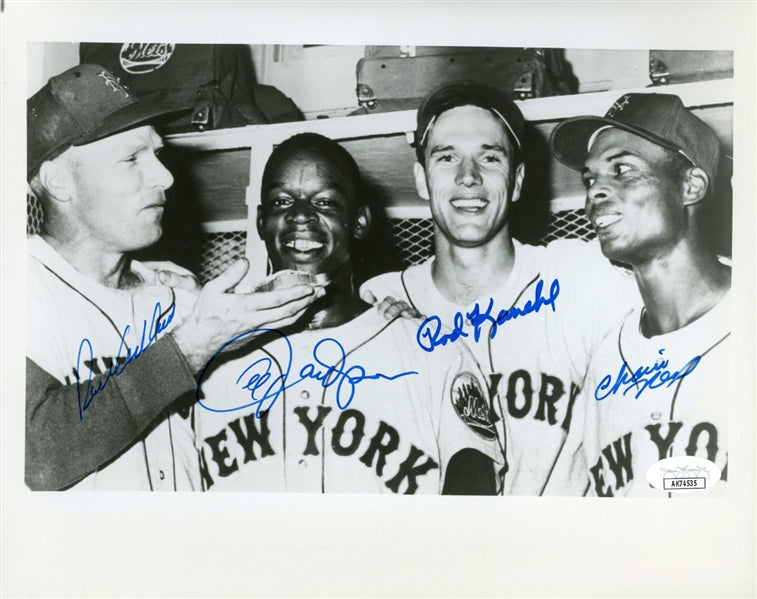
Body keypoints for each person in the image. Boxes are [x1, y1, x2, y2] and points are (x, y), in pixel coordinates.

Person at [26, 64, 325, 491]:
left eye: (157, 154)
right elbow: (37, 456)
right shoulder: (22, 285)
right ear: (59, 181)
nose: (165, 177)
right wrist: (193, 345)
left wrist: (385, 303)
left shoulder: (170, 292)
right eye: (131, 158)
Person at [361, 81, 638, 495]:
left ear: (518, 180)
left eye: (489, 158)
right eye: (447, 156)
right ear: (421, 179)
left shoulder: (580, 275)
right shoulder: (376, 302)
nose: (468, 177)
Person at [195, 132, 503, 494]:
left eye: (325, 203)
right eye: (281, 201)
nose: (300, 216)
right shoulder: (210, 356)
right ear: (262, 222)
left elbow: (474, 492)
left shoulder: (432, 352)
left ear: (358, 222)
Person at [547, 93, 731, 496]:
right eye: (590, 178)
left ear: (691, 185)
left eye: (623, 169)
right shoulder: (606, 361)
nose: (594, 192)